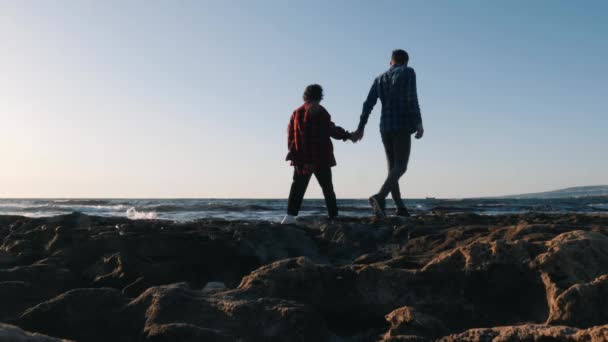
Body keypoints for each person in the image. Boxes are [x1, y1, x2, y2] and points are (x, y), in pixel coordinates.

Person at [351, 49, 424, 218]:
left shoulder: (379, 78)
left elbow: (368, 104)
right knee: (401, 166)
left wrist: (361, 127)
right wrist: (419, 123)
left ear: (391, 62)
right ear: (406, 61)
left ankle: (400, 207)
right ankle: (380, 197)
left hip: (385, 127)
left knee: (392, 168)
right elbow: (411, 98)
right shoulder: (408, 72)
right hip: (402, 124)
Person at [282, 84, 352, 224]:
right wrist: (348, 135)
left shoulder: (296, 113)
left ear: (305, 95)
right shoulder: (320, 111)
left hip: (302, 159)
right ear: (320, 96)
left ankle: (289, 217)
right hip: (321, 158)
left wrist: (294, 156)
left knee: (297, 187)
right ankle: (333, 216)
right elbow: (330, 130)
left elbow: (290, 137)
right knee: (327, 188)